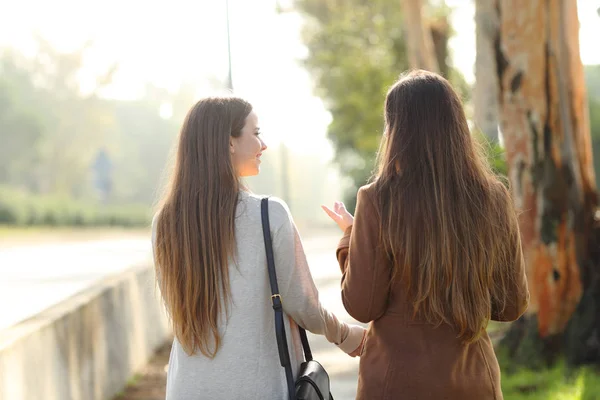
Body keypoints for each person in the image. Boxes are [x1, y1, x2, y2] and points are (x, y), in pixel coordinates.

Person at [322, 70, 530, 400]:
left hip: (396, 385)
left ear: (396, 130)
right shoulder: (492, 198)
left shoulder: (377, 200)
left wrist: (350, 236)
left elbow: (362, 305)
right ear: (457, 125)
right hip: (473, 384)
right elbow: (511, 304)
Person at [151, 96, 366, 400]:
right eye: (256, 133)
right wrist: (346, 336)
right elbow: (302, 305)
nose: (263, 145)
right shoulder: (268, 214)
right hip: (256, 387)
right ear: (229, 143)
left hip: (186, 388)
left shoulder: (165, 222)